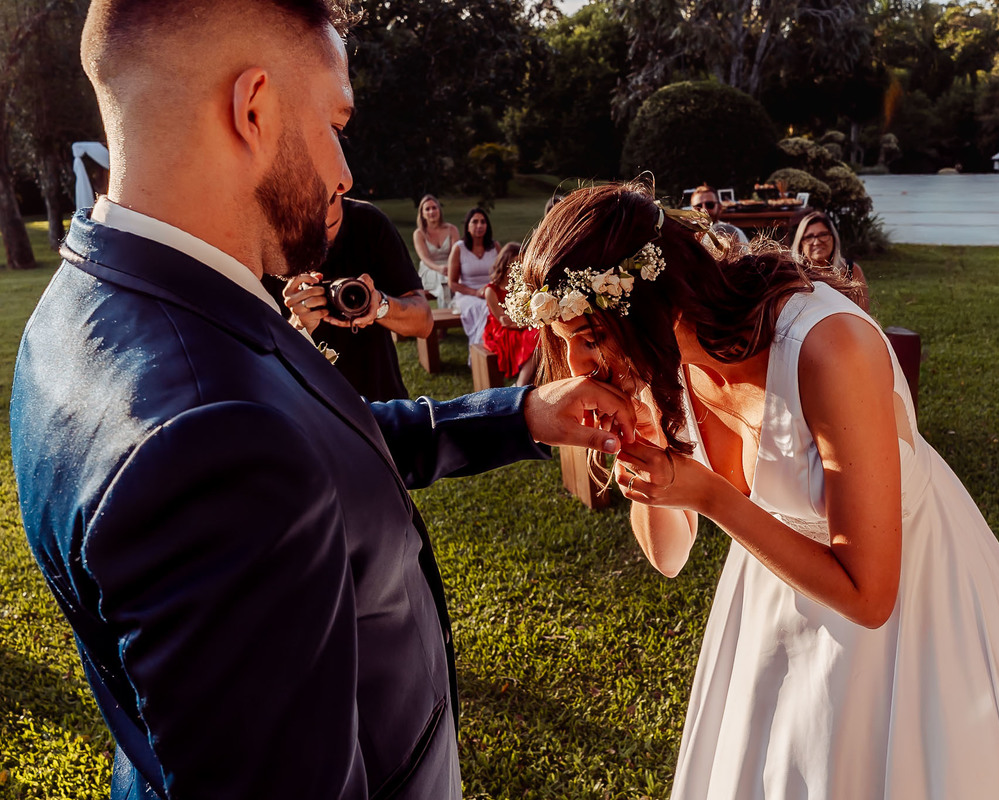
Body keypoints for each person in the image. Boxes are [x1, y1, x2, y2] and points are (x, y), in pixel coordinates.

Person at [9, 4, 636, 799]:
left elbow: (310, 444)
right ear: (254, 109)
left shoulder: (84, 307)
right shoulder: (207, 441)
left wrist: (518, 414)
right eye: (335, 121)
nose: (344, 171)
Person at [508, 182, 999, 800]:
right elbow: (668, 557)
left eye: (589, 337)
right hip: (776, 601)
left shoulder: (826, 346)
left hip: (913, 610)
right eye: (563, 342)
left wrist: (709, 497)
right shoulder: (660, 364)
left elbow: (869, 597)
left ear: (646, 302)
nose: (579, 365)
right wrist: (648, 456)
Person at [265, 194, 432, 401]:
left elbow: (423, 322)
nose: (320, 242)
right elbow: (256, 364)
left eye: (328, 227)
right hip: (309, 404)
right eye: (307, 230)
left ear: (340, 190)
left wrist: (379, 305)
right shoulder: (269, 237)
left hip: (379, 400)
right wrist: (298, 325)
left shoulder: (369, 223)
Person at [482, 242, 540, 385]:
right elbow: (504, 321)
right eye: (515, 264)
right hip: (502, 331)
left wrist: (529, 321)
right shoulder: (491, 290)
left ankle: (533, 381)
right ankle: (521, 384)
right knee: (535, 335)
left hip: (522, 324)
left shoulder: (522, 286)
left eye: (521, 264)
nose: (518, 268)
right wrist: (530, 322)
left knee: (540, 334)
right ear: (505, 263)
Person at [791, 210, 870, 313]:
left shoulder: (851, 270)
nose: (817, 242)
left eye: (823, 234)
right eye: (809, 237)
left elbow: (864, 315)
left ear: (833, 238)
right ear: (801, 244)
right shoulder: (793, 275)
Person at [448, 206, 501, 345]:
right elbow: (452, 283)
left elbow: (502, 274)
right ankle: (481, 347)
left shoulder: (495, 246)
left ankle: (501, 346)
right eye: (475, 222)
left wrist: (492, 289)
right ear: (467, 226)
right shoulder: (459, 248)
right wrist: (475, 292)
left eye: (483, 222)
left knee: (497, 307)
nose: (479, 225)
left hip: (491, 291)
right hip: (467, 294)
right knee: (485, 308)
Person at [412, 193, 458, 306]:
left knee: (452, 279)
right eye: (427, 209)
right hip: (429, 269)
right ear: (422, 213)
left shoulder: (452, 230)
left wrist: (451, 268)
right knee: (444, 283)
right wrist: (439, 268)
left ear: (439, 210)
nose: (431, 212)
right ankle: (448, 312)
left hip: (449, 267)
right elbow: (425, 259)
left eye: (434, 208)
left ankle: (455, 309)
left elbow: (456, 255)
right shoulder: (419, 234)